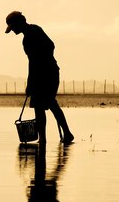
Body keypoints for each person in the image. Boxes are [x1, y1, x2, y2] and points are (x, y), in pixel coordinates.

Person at [5, 11, 74, 144]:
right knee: (51, 103)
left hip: (45, 74)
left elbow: (34, 61)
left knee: (39, 106)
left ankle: (43, 140)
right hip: (50, 72)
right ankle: (66, 133)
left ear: (21, 22)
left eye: (13, 27)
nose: (13, 30)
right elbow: (49, 47)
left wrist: (30, 83)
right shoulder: (35, 30)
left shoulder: (30, 36)